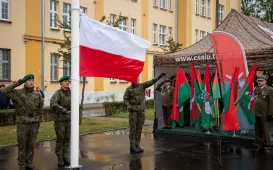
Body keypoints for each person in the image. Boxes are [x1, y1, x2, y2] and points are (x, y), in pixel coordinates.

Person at [1, 74, 43, 170]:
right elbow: (4, 91)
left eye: (32, 80)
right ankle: (22, 165)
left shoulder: (37, 94)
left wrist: (38, 121)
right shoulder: (17, 93)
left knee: (31, 145)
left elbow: (40, 109)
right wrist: (19, 82)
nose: (31, 82)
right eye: (28, 80)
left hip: (34, 123)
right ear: (25, 82)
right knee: (22, 145)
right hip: (22, 124)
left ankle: (29, 163)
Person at [124, 73, 165, 154]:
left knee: (139, 129)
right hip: (133, 112)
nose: (136, 80)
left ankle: (137, 144)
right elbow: (125, 99)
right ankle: (132, 146)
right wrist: (129, 107)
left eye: (138, 79)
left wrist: (159, 77)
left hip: (141, 111)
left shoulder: (142, 86)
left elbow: (151, 82)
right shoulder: (129, 89)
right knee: (133, 129)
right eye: (135, 79)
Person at [50, 76, 71, 167]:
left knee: (67, 139)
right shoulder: (58, 93)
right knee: (60, 140)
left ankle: (66, 156)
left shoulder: (71, 93)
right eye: (65, 81)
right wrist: (63, 109)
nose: (67, 82)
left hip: (69, 120)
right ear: (61, 83)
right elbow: (53, 104)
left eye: (68, 81)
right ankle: (60, 157)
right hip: (60, 121)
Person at [254, 75, 273, 154]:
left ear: (265, 81)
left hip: (264, 113)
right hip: (256, 112)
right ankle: (260, 145)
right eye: (258, 81)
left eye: (261, 81)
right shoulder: (255, 89)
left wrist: (270, 113)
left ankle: (267, 146)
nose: (259, 82)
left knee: (265, 130)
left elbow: (271, 102)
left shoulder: (270, 89)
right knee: (258, 130)